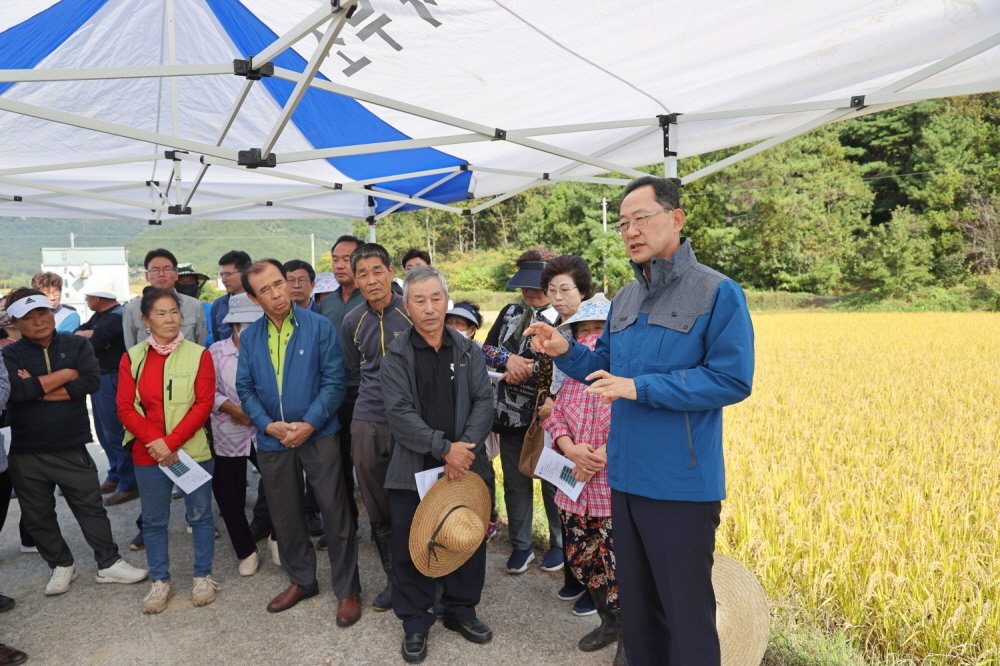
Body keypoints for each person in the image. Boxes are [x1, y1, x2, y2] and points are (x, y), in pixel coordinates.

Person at [526, 176, 755, 665]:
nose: (630, 230)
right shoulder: (625, 300)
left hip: (679, 483)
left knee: (686, 615)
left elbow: (731, 380)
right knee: (639, 612)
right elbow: (601, 369)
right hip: (623, 481)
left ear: (675, 219)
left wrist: (640, 387)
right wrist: (564, 349)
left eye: (641, 218)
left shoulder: (718, 292)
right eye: (624, 222)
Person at [236, 259, 361, 625]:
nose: (277, 294)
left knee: (335, 513)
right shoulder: (251, 336)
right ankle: (302, 580)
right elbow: (245, 387)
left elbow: (335, 380)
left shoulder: (318, 326)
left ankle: (347, 589)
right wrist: (267, 424)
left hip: (318, 435)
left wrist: (309, 423)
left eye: (279, 283)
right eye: (266, 289)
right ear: (253, 296)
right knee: (286, 516)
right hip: (273, 440)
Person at [380, 265, 495, 663]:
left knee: (467, 535)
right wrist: (444, 448)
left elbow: (484, 400)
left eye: (435, 298)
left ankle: (461, 610)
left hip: (465, 464)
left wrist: (464, 449)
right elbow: (398, 413)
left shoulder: (467, 349)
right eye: (419, 300)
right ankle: (414, 621)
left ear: (447, 301)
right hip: (414, 467)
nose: (429, 308)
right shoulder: (396, 353)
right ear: (407, 306)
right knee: (411, 544)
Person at [2, 288, 148, 596]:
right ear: (14, 322)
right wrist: (67, 374)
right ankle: (61, 565)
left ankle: (108, 563)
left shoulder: (77, 344)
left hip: (71, 443)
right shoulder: (9, 354)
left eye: (43, 312)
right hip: (25, 450)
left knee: (90, 507)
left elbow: (90, 381)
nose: (39, 321)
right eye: (28, 317)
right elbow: (16, 392)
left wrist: (38, 385)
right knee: (38, 514)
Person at [117, 288, 219, 614]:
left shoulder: (199, 355)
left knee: (201, 516)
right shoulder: (132, 358)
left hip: (191, 450)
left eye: (174, 311)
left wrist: (171, 442)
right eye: (161, 313)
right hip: (148, 454)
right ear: (145, 320)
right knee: (154, 520)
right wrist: (156, 443)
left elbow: (203, 404)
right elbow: (125, 407)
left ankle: (203, 576)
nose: (170, 318)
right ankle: (160, 581)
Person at [540, 294, 622, 663]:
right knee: (582, 560)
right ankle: (608, 622)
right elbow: (552, 416)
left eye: (597, 329)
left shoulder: (623, 377)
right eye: (582, 329)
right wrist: (570, 448)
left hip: (610, 492)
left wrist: (601, 456)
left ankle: (630, 633)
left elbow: (636, 425)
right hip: (573, 491)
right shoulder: (569, 378)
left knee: (619, 566)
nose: (589, 336)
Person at [340, 242, 412, 612]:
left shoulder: (413, 311)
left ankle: (427, 578)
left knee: (415, 502)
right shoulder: (352, 321)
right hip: (368, 418)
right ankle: (395, 581)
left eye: (376, 270)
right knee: (376, 504)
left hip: (412, 421)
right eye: (362, 273)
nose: (371, 279)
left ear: (390, 272)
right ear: (355, 279)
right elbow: (356, 368)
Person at [481, 249, 561, 575]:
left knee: (553, 482)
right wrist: (507, 361)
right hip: (509, 414)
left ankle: (560, 544)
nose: (530, 292)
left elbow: (572, 357)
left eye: (537, 285)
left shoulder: (564, 316)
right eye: (525, 285)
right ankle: (521, 545)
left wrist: (529, 366)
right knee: (515, 481)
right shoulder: (510, 311)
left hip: (549, 415)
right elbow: (486, 348)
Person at [539, 255, 596, 615]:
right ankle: (575, 577)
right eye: (552, 291)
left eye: (565, 290)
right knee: (564, 502)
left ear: (584, 292)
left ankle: (595, 588)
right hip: (558, 427)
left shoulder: (595, 330)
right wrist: (549, 399)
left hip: (587, 433)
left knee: (591, 512)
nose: (558, 298)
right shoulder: (550, 327)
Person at [209, 293, 264, 577]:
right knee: (228, 493)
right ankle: (246, 550)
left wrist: (256, 413)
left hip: (265, 429)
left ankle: (279, 537)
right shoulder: (216, 352)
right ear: (234, 325)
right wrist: (230, 408)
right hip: (228, 430)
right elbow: (207, 390)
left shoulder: (270, 348)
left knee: (279, 487)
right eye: (245, 324)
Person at [74, 277, 138, 506]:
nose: (86, 299)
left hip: (113, 378)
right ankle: (116, 474)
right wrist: (88, 334)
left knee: (115, 432)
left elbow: (94, 343)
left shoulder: (115, 317)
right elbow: (79, 333)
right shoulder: (101, 317)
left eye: (89, 296)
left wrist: (89, 335)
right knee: (103, 432)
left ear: (99, 298)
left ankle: (129, 483)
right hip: (102, 378)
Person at [319, 234, 365, 534]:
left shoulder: (374, 298)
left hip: (367, 392)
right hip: (333, 393)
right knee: (337, 464)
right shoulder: (327, 303)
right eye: (335, 259)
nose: (339, 265)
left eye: (347, 259)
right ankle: (345, 524)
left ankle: (382, 527)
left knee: (368, 463)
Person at [123, 249, 207, 348]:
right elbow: (131, 347)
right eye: (155, 270)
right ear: (146, 276)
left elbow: (200, 343)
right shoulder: (132, 309)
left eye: (167, 269)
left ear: (176, 274)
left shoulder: (194, 305)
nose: (161, 274)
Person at [211, 250, 252, 342]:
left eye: (228, 274)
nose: (223, 280)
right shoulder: (218, 305)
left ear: (246, 273)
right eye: (221, 274)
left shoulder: (261, 301)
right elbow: (217, 338)